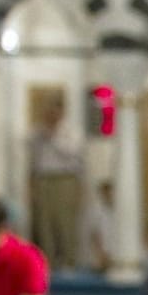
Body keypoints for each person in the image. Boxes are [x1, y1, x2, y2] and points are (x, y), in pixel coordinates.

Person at [27, 97, 84, 271]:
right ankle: (46, 262)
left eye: (54, 111)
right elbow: (33, 158)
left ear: (61, 112)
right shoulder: (37, 132)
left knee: (65, 221)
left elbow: (72, 154)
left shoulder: (71, 132)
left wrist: (53, 135)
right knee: (44, 223)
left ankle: (69, 262)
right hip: (43, 179)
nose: (50, 115)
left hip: (64, 179)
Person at [84, 179, 117, 273]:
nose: (109, 195)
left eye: (111, 193)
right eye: (106, 193)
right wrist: (101, 256)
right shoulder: (95, 211)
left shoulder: (119, 212)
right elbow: (94, 235)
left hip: (115, 256)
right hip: (100, 257)